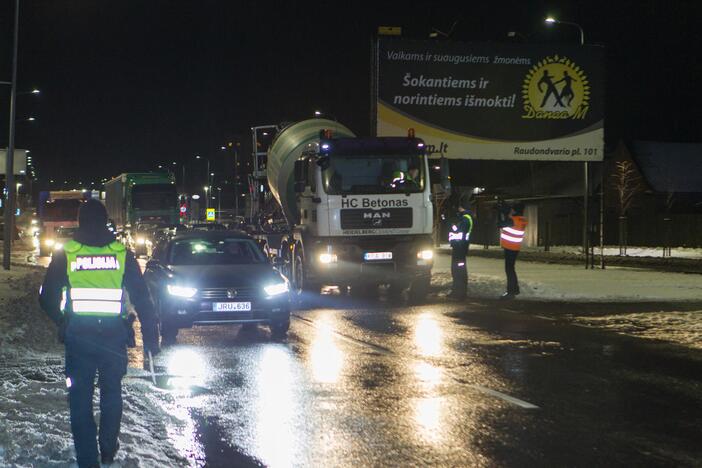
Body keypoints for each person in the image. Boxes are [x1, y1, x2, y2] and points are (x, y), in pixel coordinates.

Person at [39, 199, 160, 467]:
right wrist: (151, 339)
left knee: (80, 401)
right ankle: (107, 448)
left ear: (80, 222)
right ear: (106, 221)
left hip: (79, 338)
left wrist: (63, 321)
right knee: (111, 394)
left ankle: (87, 461)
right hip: (113, 338)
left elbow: (46, 297)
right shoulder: (121, 253)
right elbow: (143, 299)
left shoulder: (67, 253)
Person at [498, 201, 528, 300]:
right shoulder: (522, 220)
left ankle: (511, 291)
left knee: (509, 270)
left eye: (513, 209)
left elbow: (500, 224)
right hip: (515, 247)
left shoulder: (513, 220)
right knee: (511, 269)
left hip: (510, 247)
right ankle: (515, 289)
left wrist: (501, 212)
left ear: (515, 210)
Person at [447, 199, 474, 299]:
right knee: (458, 269)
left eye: (459, 207)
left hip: (460, 247)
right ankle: (459, 291)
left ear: (462, 207)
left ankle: (459, 292)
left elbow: (459, 231)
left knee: (458, 270)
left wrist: (453, 226)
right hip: (460, 247)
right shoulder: (465, 217)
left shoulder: (465, 219)